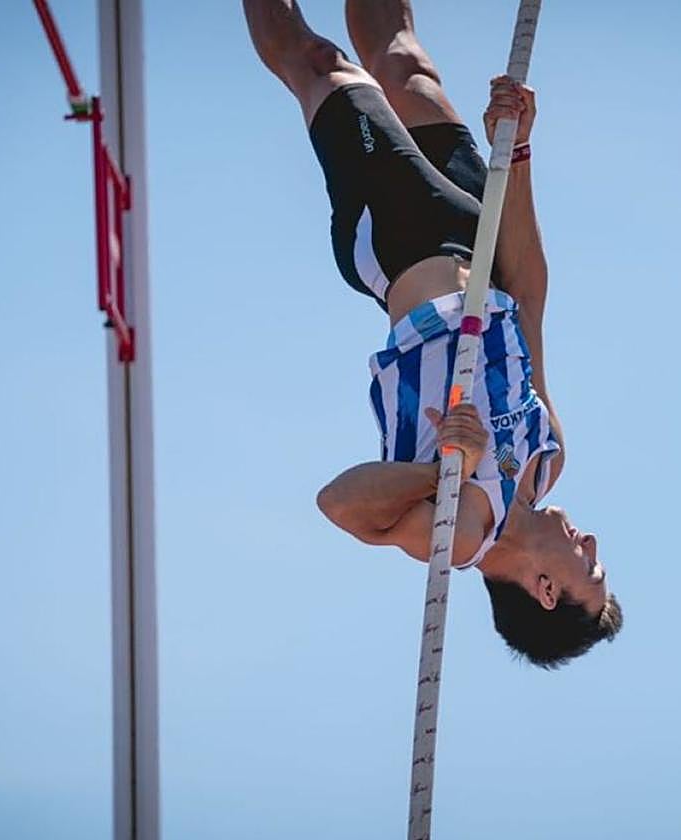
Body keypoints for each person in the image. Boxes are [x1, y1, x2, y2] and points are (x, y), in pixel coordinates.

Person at [243, 0, 621, 667]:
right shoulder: (548, 456)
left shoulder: (460, 529)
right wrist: (519, 151)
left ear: (544, 589)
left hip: (400, 241)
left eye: (589, 570)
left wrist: (437, 468)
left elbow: (340, 505)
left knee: (320, 65)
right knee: (403, 58)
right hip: (479, 226)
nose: (591, 544)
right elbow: (527, 296)